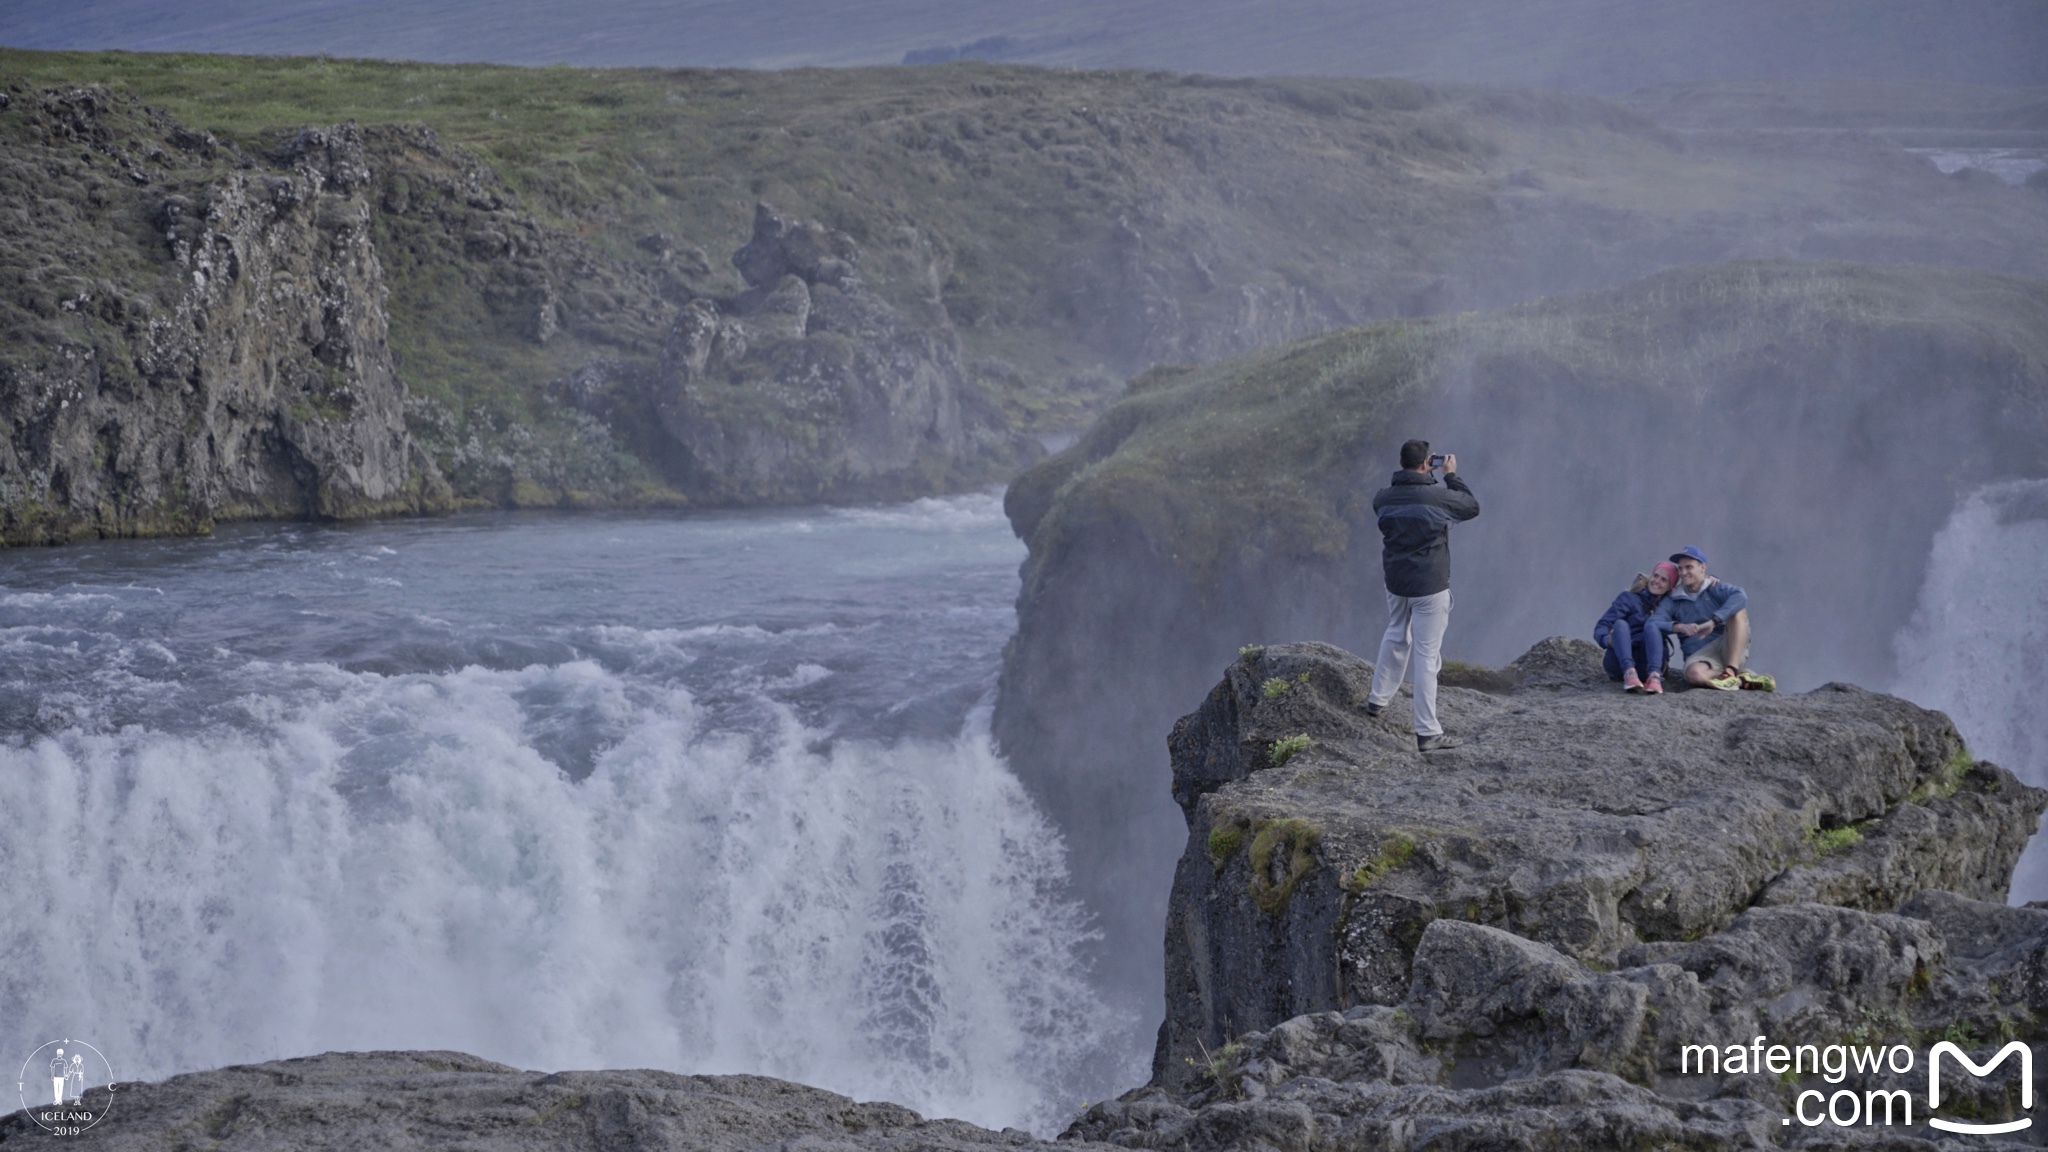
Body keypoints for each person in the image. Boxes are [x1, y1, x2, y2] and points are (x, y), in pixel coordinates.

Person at [1363, 440, 1480, 751]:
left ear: (1402, 463)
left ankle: (1377, 699)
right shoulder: (1437, 496)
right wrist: (1451, 476)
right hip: (1429, 585)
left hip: (1396, 581)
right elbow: (1470, 506)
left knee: (1397, 632)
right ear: (1427, 463)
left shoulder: (1383, 498)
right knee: (1427, 657)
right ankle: (1427, 732)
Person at [1650, 546, 1773, 690]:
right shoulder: (1673, 598)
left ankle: (1731, 670)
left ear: (1702, 567)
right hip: (1700, 656)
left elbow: (1740, 596)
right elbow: (1653, 622)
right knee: (1693, 675)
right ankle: (1739, 678)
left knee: (1738, 610)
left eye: (1689, 567)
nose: (1683, 573)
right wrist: (1679, 627)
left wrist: (1714, 621)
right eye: (1680, 568)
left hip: (1729, 647)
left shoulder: (1714, 587)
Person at [1595, 561, 1676, 694]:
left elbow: (1693, 613)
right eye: (1655, 576)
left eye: (1663, 580)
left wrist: (1707, 584)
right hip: (1619, 663)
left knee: (1652, 627)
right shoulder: (1628, 598)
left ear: (1670, 586)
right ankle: (1630, 673)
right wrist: (1606, 640)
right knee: (1620, 624)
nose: (1657, 581)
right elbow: (1602, 625)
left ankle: (1654, 677)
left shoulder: (1669, 607)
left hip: (1648, 663)